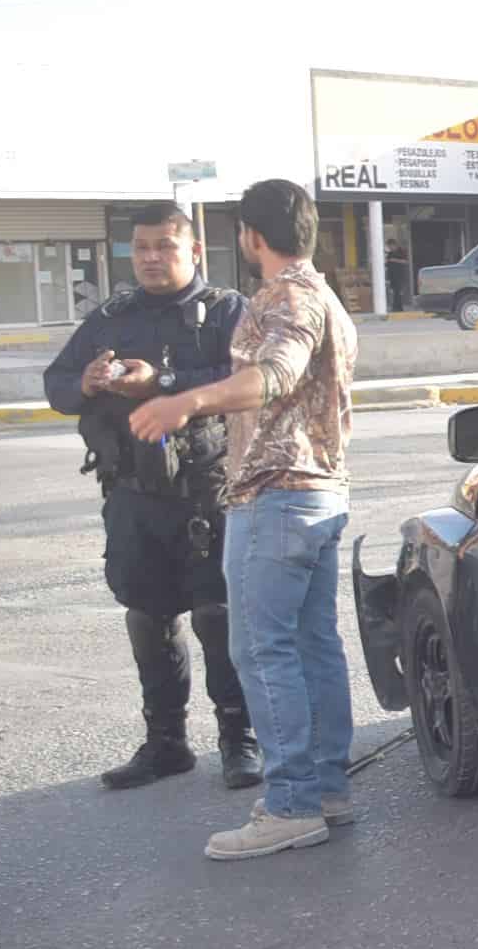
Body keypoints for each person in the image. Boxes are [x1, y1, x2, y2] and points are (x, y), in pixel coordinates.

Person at [126, 179, 359, 862]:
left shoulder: (285, 298)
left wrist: (184, 404)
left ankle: (291, 804)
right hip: (319, 492)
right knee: (313, 644)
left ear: (250, 237)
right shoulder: (326, 297)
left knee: (262, 649)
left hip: (277, 493)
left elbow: (275, 376)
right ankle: (326, 789)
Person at [42, 202, 259, 792]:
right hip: (134, 496)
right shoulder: (112, 317)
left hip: (206, 493)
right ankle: (166, 744)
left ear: (194, 251)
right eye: (141, 248)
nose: (152, 258)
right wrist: (84, 384)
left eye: (165, 246)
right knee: (148, 614)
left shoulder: (227, 312)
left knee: (218, 615)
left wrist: (162, 383)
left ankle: (240, 741)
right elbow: (56, 384)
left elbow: (246, 383)